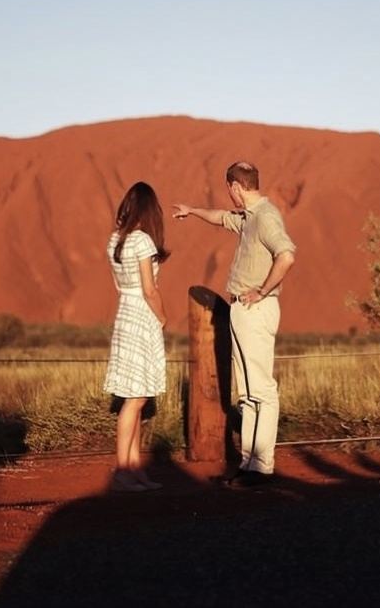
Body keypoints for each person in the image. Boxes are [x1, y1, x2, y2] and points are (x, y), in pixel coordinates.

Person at [172, 161, 296, 488]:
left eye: (229, 189)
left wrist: (262, 290)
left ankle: (262, 467)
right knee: (248, 393)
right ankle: (249, 464)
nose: (229, 195)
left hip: (256, 308)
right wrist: (192, 210)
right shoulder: (248, 217)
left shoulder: (265, 217)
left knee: (262, 391)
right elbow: (221, 218)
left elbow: (286, 255)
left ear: (236, 187)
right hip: (241, 309)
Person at [103, 181, 171, 492]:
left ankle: (134, 469)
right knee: (135, 399)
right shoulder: (143, 241)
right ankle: (122, 472)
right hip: (142, 315)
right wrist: (162, 317)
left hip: (125, 313)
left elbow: (120, 286)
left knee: (137, 396)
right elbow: (149, 289)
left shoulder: (116, 239)